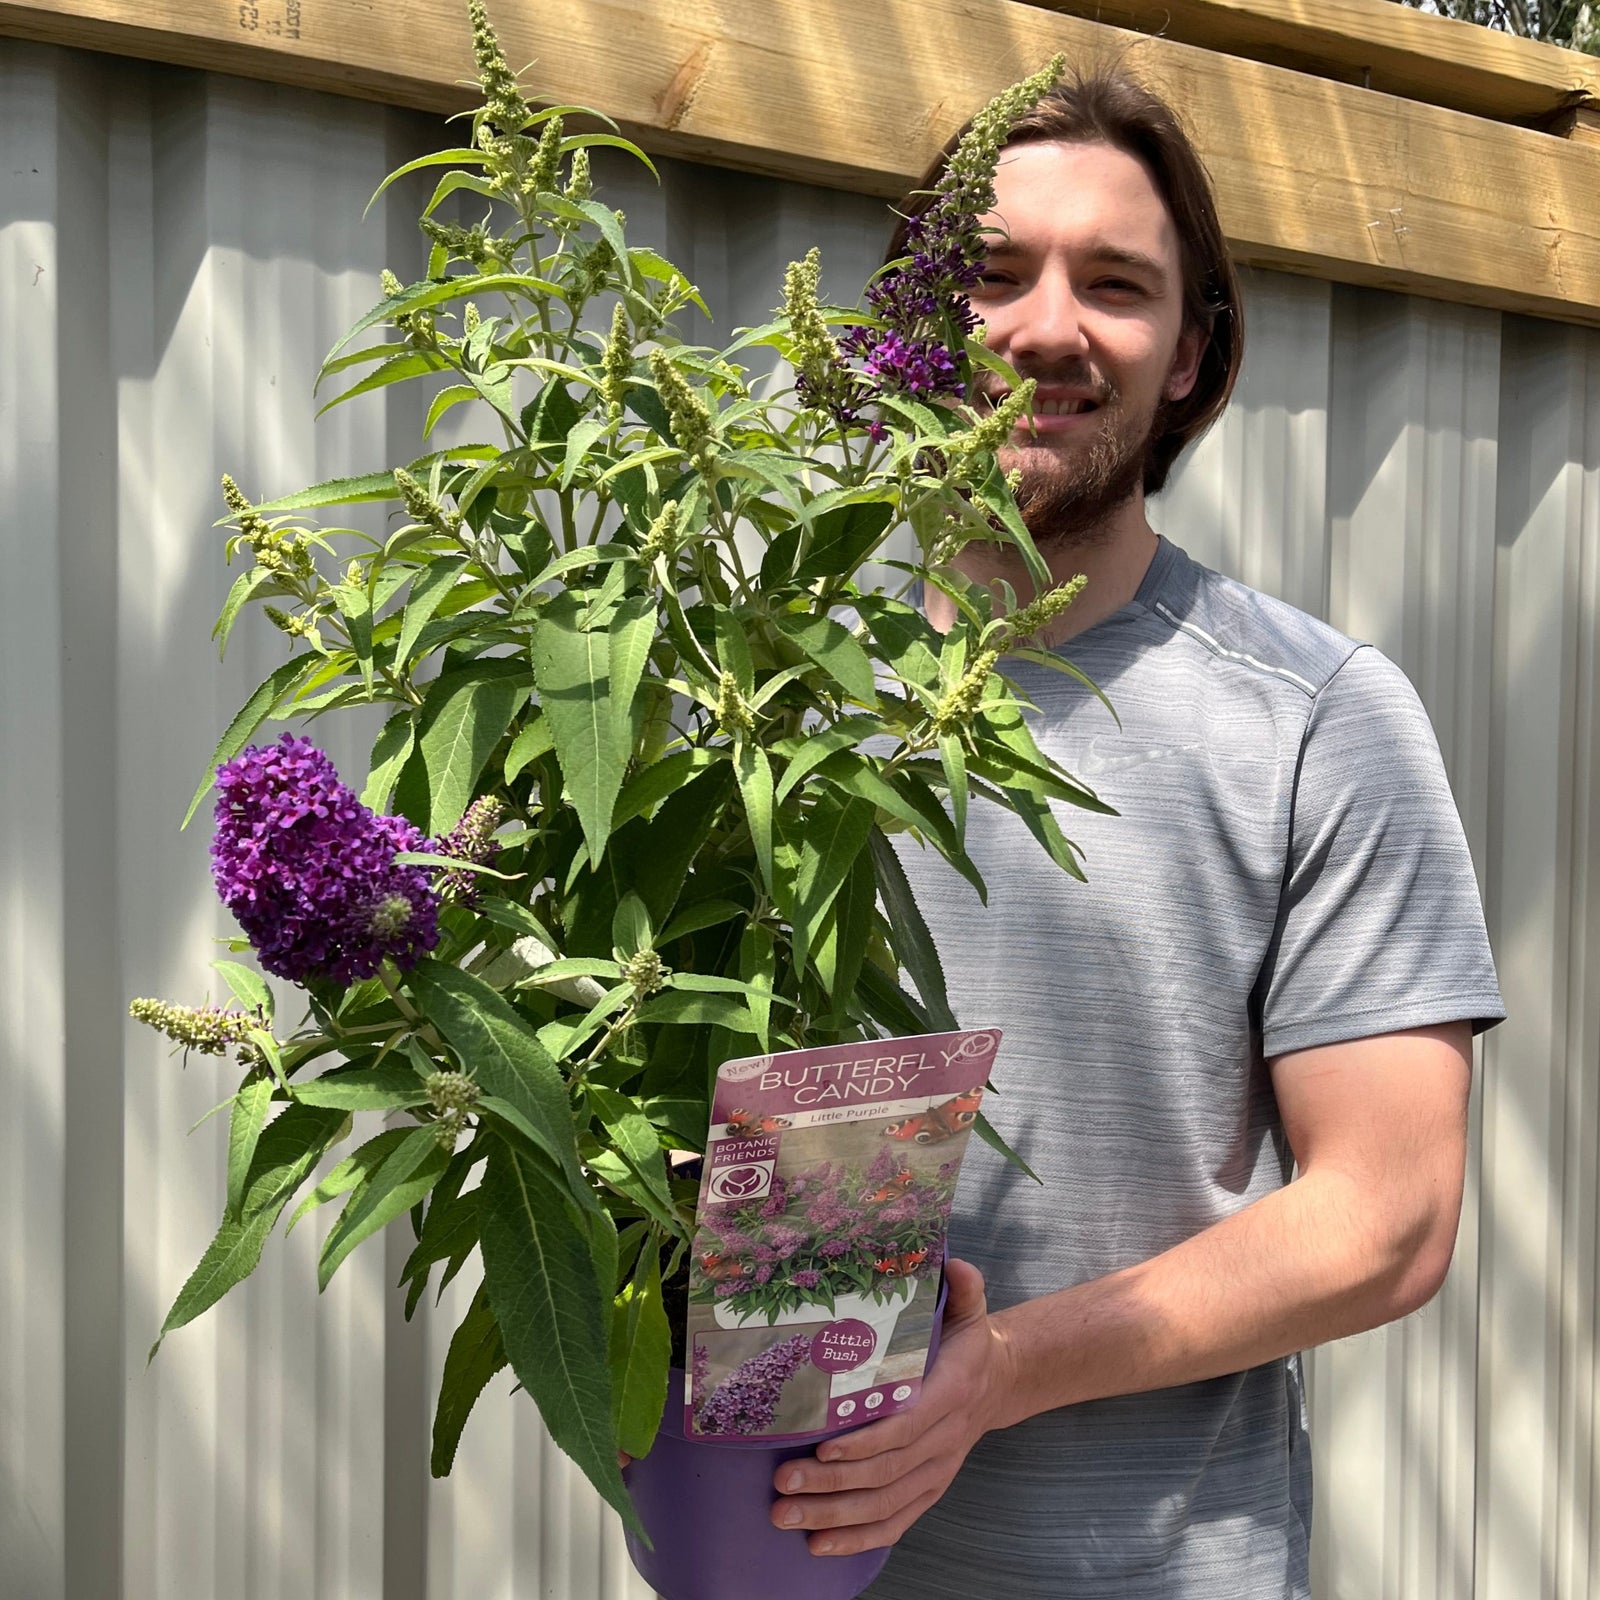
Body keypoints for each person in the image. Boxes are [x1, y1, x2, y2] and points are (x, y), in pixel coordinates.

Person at [768, 69, 1505, 1598]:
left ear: (1191, 356)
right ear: (910, 324)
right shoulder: (758, 696)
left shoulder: (1315, 719)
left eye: (1116, 285)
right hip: (789, 1565)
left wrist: (1000, 1371)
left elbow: (1392, 1213)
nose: (1048, 328)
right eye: (990, 274)